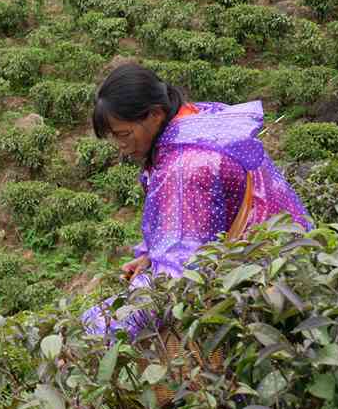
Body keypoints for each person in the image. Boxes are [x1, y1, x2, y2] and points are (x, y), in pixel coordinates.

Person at [82, 63, 311, 338]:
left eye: (124, 134)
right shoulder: (193, 118)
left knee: (97, 323)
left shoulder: (185, 167)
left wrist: (102, 332)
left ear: (154, 115)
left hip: (267, 285)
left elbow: (178, 272)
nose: (120, 145)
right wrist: (148, 255)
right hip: (294, 253)